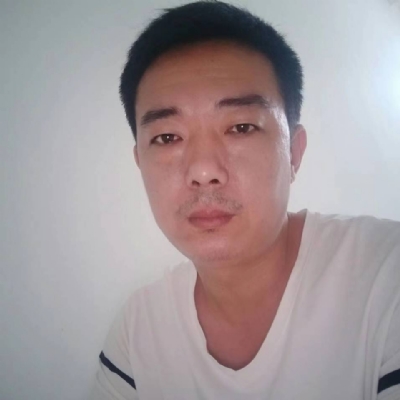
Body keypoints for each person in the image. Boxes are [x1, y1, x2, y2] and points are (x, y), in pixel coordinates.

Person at [90, 1, 400, 399]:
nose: (204, 170)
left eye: (240, 127)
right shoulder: (138, 331)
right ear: (140, 164)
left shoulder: (386, 280)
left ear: (294, 153)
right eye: (167, 137)